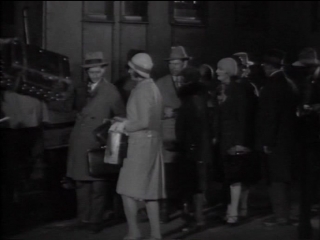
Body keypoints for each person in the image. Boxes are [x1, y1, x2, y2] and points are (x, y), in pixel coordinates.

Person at [66, 51, 125, 233]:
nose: (95, 74)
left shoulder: (111, 91)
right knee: (81, 183)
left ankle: (95, 221)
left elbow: (121, 116)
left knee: (98, 184)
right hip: (79, 143)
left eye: (98, 71)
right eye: (91, 71)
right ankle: (83, 218)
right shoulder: (81, 89)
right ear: (87, 71)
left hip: (97, 143)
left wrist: (108, 126)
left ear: (104, 70)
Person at [112, 53, 166, 240]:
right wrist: (126, 120)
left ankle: (134, 232)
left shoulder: (142, 90)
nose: (128, 71)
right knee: (150, 191)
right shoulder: (153, 88)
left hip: (139, 144)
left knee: (125, 189)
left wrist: (123, 125)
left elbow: (142, 121)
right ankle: (156, 235)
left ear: (137, 72)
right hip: (152, 142)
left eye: (131, 69)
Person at [256, 49, 299, 227]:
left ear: (268, 66)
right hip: (290, 138)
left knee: (276, 179)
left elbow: (270, 116)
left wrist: (267, 141)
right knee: (286, 178)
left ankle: (280, 215)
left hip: (277, 140)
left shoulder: (271, 86)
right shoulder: (290, 84)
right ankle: (288, 212)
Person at [213, 57, 256, 225]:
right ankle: (231, 208)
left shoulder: (238, 90)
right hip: (223, 138)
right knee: (228, 176)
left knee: (235, 175)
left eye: (220, 69)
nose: (217, 72)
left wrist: (240, 141)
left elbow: (242, 117)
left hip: (234, 138)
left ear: (228, 71)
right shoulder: (220, 89)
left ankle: (234, 212)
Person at [156, 46, 191, 222]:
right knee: (168, 174)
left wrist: (177, 113)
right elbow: (153, 109)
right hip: (167, 136)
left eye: (177, 63)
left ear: (185, 63)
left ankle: (186, 206)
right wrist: (164, 113)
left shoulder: (191, 83)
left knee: (185, 172)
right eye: (171, 64)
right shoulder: (160, 84)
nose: (173, 67)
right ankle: (165, 209)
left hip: (187, 135)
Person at [287, 48, 320, 238]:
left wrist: (314, 109)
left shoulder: (314, 81)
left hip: (314, 139)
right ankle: (304, 225)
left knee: (309, 182)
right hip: (311, 139)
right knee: (307, 183)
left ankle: (305, 226)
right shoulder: (310, 80)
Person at [175, 67, 212, 230]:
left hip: (190, 147)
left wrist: (181, 143)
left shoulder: (187, 101)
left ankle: (194, 216)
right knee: (200, 182)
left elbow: (183, 126)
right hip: (203, 145)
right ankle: (200, 216)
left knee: (191, 182)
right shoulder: (205, 97)